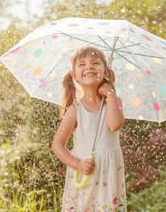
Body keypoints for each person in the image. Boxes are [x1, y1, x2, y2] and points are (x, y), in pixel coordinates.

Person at [51, 45, 127, 211]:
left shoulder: (114, 102)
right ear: (74, 76)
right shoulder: (75, 109)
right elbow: (58, 145)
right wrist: (77, 164)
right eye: (82, 64)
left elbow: (115, 125)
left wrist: (111, 94)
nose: (89, 67)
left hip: (108, 174)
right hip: (85, 173)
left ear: (105, 72)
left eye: (95, 62)